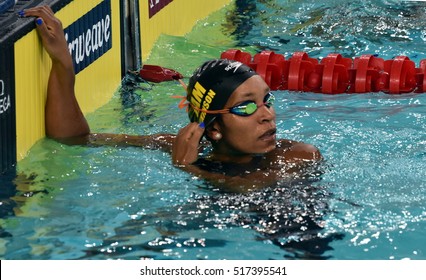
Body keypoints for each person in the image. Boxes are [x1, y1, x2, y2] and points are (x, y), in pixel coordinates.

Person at [23, 6, 322, 193]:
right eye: (246, 106)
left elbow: (253, 190)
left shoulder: (296, 155)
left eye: (266, 100)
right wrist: (64, 65)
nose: (268, 114)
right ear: (213, 127)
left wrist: (190, 170)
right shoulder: (183, 146)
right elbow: (76, 139)